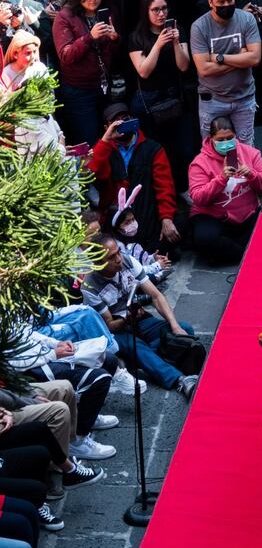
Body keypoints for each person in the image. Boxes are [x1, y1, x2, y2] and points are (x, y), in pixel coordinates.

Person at [83, 236, 201, 399]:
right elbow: (109, 325)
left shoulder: (128, 261)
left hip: (139, 320)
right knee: (136, 346)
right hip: (115, 333)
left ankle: (145, 361)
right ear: (97, 262)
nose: (118, 259)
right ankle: (179, 380)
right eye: (111, 257)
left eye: (118, 252)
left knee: (183, 330)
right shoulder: (90, 286)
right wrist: (126, 318)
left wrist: (174, 326)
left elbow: (156, 296)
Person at [10, 311, 119, 462]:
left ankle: (86, 417)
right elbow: (8, 365)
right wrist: (53, 354)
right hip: (31, 368)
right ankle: (77, 440)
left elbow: (26, 333)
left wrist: (55, 343)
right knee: (99, 379)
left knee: (109, 359)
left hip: (44, 353)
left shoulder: (6, 305)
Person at [89, 104, 181, 256]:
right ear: (107, 127)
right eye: (115, 122)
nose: (121, 124)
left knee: (172, 238)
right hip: (116, 220)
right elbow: (92, 172)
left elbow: (164, 187)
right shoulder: (103, 149)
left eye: (125, 120)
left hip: (146, 215)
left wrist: (166, 218)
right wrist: (106, 140)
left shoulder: (152, 149)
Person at [128, 0, 195, 193]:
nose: (161, 14)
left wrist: (175, 42)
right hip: (149, 101)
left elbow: (184, 66)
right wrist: (158, 45)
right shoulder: (137, 37)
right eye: (155, 10)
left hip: (174, 97)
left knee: (184, 148)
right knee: (156, 150)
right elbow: (144, 71)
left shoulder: (178, 30)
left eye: (164, 8)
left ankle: (183, 189)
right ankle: (160, 193)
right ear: (146, 12)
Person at [188, 116, 262, 265]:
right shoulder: (199, 163)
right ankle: (247, 252)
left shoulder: (251, 153)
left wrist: (252, 174)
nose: (225, 143)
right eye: (220, 140)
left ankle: (231, 251)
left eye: (229, 138)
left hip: (247, 215)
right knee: (205, 239)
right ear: (211, 138)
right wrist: (221, 179)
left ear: (236, 136)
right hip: (214, 217)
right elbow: (198, 198)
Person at [190, 0, 262, 145]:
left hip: (244, 98)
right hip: (212, 100)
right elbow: (204, 69)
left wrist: (220, 58)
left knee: (247, 149)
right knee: (211, 150)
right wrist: (241, 58)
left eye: (230, 0)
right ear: (210, 2)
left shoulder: (247, 19)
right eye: (221, 2)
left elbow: (255, 58)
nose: (227, 5)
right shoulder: (199, 27)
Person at [52, 0, 120, 147]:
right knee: (89, 142)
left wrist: (114, 39)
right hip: (79, 92)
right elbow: (66, 56)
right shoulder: (64, 18)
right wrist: (90, 37)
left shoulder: (107, 13)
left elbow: (116, 52)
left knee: (113, 138)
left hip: (105, 87)